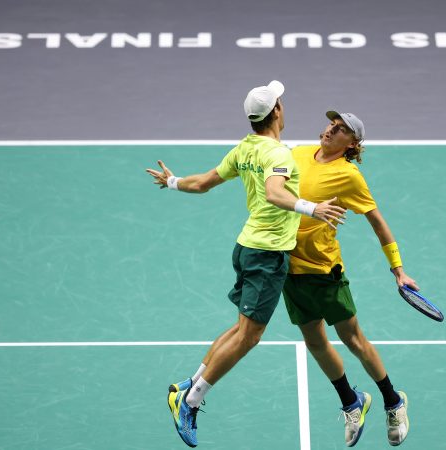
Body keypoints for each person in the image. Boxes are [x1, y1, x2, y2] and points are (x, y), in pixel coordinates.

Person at [145, 81, 346, 448]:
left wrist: (172, 181)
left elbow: (204, 183)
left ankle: (189, 386)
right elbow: (274, 192)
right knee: (249, 337)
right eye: (281, 101)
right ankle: (191, 400)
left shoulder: (245, 149)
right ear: (277, 113)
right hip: (267, 256)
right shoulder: (279, 155)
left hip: (246, 248)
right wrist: (311, 207)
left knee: (241, 328)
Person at [282, 111, 419, 447]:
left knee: (353, 339)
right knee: (314, 342)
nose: (331, 129)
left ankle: (393, 401)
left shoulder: (348, 176)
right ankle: (351, 401)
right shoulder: (297, 153)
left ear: (353, 144)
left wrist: (398, 269)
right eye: (332, 124)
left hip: (325, 271)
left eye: (341, 129)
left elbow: (377, 222)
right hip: (289, 269)